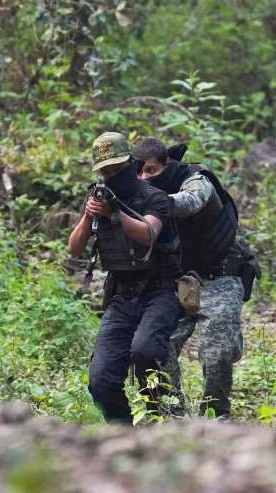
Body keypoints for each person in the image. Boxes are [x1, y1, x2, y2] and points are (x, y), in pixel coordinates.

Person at [68, 131, 183, 424]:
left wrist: (115, 213)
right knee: (100, 381)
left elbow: (148, 234)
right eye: (104, 172)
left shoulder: (154, 197)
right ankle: (123, 434)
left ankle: (162, 416)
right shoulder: (98, 197)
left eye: (116, 169)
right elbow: (74, 248)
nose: (110, 177)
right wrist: (89, 215)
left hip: (159, 290)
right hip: (121, 294)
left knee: (146, 351)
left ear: (131, 164)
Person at [132, 137, 245, 418]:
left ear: (167, 164)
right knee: (153, 347)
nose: (145, 178)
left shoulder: (196, 179)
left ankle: (216, 414)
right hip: (172, 280)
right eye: (139, 172)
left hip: (219, 276)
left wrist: (152, 202)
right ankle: (171, 414)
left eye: (151, 171)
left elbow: (191, 202)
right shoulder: (134, 189)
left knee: (217, 352)